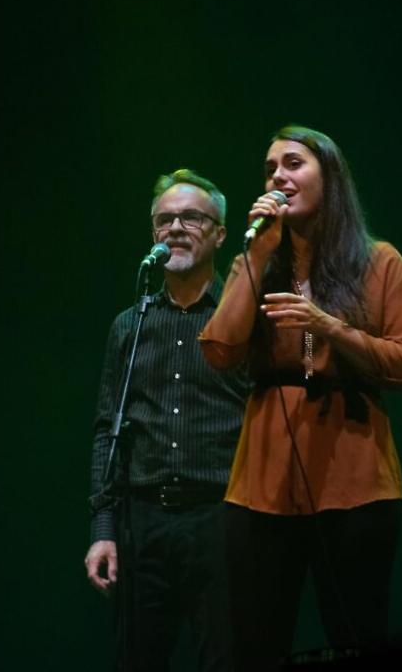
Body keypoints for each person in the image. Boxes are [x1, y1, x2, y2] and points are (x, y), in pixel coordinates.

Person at [199, 125, 402, 670]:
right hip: (262, 485)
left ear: (331, 176)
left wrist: (330, 328)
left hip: (355, 481)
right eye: (270, 167)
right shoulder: (255, 262)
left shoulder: (382, 263)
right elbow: (218, 350)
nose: (278, 175)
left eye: (293, 163)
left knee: (357, 637)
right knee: (255, 643)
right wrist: (257, 254)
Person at [86, 170, 250, 671]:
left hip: (219, 520)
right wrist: (103, 527)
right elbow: (107, 430)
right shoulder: (129, 325)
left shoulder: (242, 319)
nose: (175, 228)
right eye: (165, 220)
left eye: (191, 218)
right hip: (144, 525)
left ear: (220, 233)